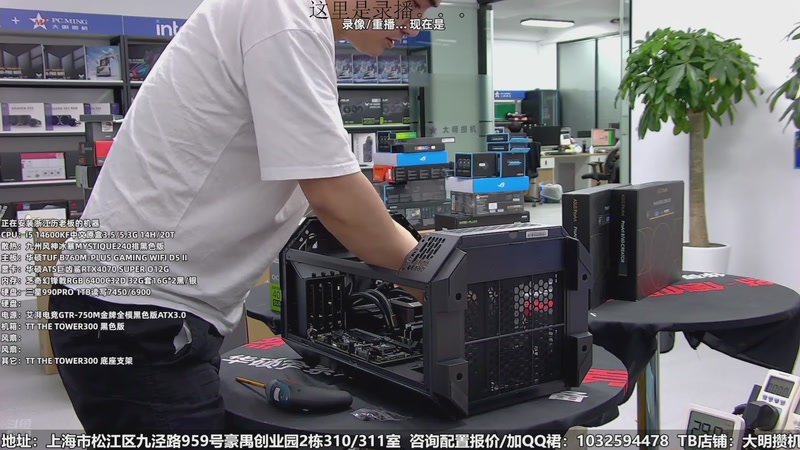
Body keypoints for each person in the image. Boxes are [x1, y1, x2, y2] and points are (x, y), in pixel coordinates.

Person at [48, 0, 439, 433]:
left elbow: (328, 186)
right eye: (415, 4)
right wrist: (441, 286)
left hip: (146, 311)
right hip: (140, 315)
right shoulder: (284, 16)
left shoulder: (289, 19)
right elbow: (334, 196)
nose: (415, 26)